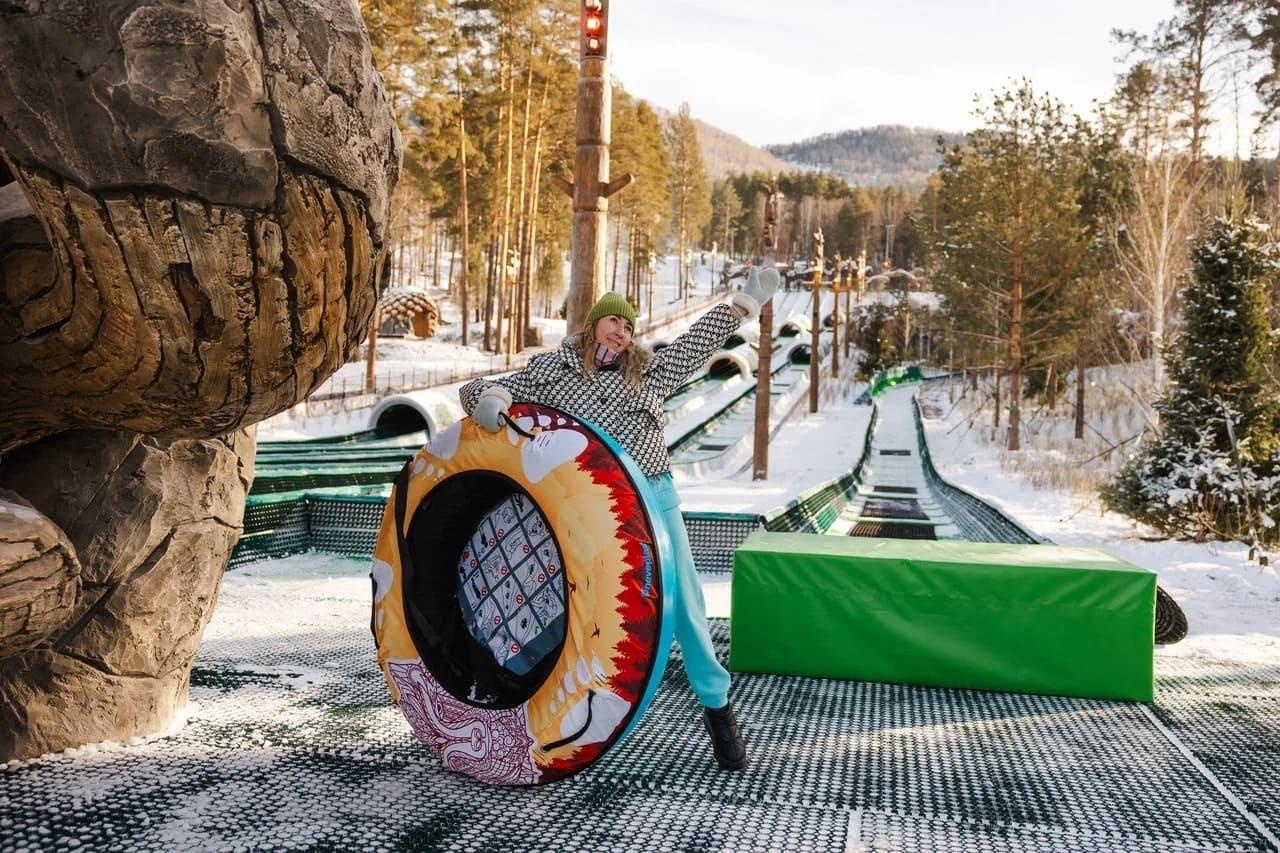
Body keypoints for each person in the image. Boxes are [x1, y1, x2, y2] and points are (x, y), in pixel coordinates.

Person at [459, 268, 780, 771]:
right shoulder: (557, 372)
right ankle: (532, 694)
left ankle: (718, 709)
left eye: (628, 327)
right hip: (591, 505)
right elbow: (485, 387)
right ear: (592, 327)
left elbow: (696, 344)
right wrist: (490, 399)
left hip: (653, 495)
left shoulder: (648, 373)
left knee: (683, 604)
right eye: (613, 321)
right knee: (575, 600)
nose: (622, 332)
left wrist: (741, 305)